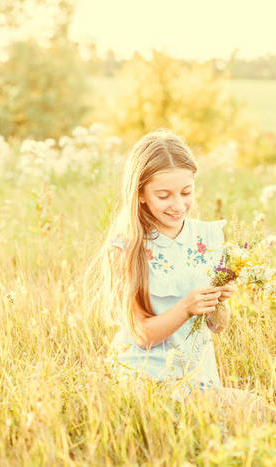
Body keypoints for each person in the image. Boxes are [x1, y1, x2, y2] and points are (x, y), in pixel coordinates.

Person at [101, 129, 244, 401]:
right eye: (164, 195)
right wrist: (186, 308)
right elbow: (141, 335)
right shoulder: (127, 248)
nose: (178, 205)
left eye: (186, 192)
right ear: (140, 194)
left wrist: (218, 302)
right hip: (145, 377)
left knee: (254, 410)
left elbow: (218, 326)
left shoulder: (208, 237)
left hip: (198, 376)